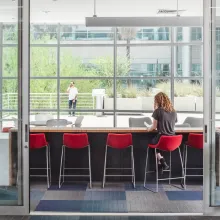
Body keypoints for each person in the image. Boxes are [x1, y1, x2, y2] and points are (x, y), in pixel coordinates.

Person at [146, 92, 177, 172]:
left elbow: (154, 127)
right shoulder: (173, 111)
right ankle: (160, 165)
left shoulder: (157, 111)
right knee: (156, 145)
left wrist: (148, 129)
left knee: (152, 145)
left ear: (158, 101)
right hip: (173, 139)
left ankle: (162, 161)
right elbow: (173, 123)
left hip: (162, 138)